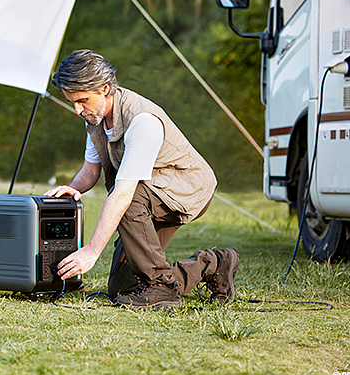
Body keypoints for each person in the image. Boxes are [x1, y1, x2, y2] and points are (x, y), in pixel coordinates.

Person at [45, 49, 239, 309]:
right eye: (73, 102)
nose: (78, 110)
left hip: (187, 190)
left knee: (127, 197)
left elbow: (124, 195)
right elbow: (91, 171)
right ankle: (213, 264)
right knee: (124, 288)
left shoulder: (142, 121)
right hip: (148, 195)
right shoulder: (96, 118)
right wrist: (71, 189)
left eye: (82, 100)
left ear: (104, 89)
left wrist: (91, 252)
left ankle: (161, 289)